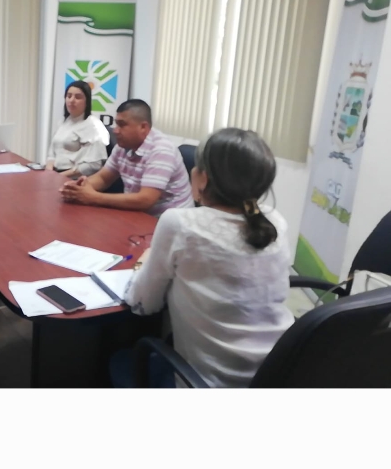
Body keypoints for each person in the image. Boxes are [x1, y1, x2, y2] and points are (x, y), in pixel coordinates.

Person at [114, 127, 294, 388]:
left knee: (120, 361)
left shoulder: (180, 224)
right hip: (281, 372)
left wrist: (143, 262)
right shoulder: (275, 220)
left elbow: (143, 304)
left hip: (206, 382)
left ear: (203, 178)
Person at [59, 99, 193, 214]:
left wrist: (94, 197)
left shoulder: (161, 150)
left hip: (170, 223)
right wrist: (78, 189)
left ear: (143, 127)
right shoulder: (123, 146)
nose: (115, 130)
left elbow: (146, 200)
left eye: (122, 125)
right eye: (116, 123)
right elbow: (103, 178)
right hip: (139, 215)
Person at [46, 80, 109, 175]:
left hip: (75, 177)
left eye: (78, 97)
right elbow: (52, 153)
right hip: (56, 173)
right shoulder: (63, 122)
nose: (71, 100)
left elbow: (94, 165)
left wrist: (59, 176)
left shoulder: (94, 126)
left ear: (87, 101)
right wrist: (49, 171)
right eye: (69, 96)